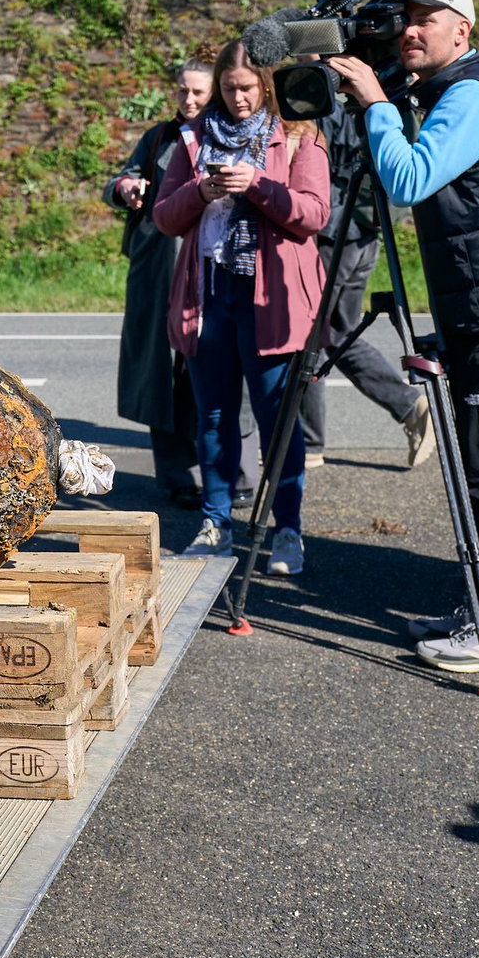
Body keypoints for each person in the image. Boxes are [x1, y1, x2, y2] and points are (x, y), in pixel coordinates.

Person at [326, 0, 479, 674]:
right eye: (405, 19)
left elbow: (406, 179)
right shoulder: (461, 90)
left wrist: (374, 103)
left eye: (427, 19)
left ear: (463, 29)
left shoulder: (474, 96)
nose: (410, 30)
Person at [154, 39, 330, 575]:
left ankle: (288, 532)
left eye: (247, 87)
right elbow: (164, 217)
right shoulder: (193, 138)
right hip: (211, 293)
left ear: (268, 85)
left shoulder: (301, 136)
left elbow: (313, 215)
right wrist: (201, 193)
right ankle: (215, 524)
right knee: (212, 416)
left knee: (278, 422)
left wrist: (257, 185)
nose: (237, 98)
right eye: (229, 89)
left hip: (272, 296)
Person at [104, 46, 259, 511]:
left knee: (224, 363)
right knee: (162, 373)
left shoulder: (227, 135)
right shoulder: (159, 137)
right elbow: (120, 180)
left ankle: (242, 471)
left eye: (198, 91)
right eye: (182, 90)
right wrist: (126, 187)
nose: (188, 99)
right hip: (156, 269)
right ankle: (176, 476)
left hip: (212, 266)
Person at [300, 97, 437, 471]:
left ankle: (309, 443)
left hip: (334, 233)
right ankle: (408, 406)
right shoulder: (371, 94)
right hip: (367, 229)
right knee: (337, 330)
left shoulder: (318, 98)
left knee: (310, 334)